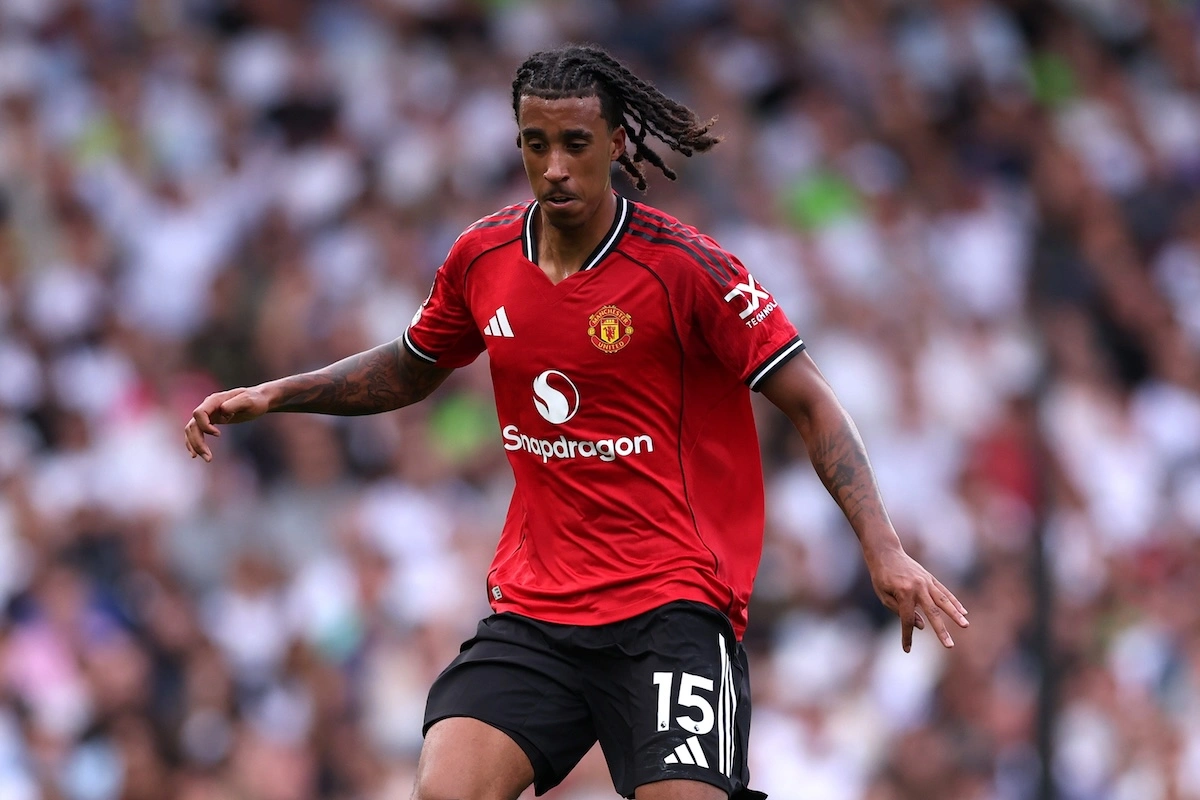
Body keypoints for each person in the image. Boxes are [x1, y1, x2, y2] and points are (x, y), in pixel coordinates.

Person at [185, 44, 968, 800]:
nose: (555, 166)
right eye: (536, 144)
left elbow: (812, 399)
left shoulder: (686, 269)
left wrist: (883, 547)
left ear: (617, 143)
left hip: (672, 605)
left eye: (575, 144)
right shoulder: (482, 257)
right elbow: (410, 366)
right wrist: (276, 394)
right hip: (537, 610)